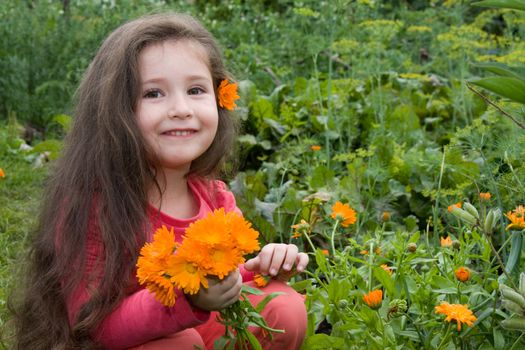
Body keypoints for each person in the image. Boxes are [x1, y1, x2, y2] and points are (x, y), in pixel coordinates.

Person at [12, 12, 308, 350]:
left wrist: (263, 268)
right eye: (154, 94)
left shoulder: (215, 198)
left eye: (196, 89)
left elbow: (227, 279)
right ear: (114, 111)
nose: (181, 108)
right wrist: (190, 299)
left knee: (284, 309)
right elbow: (92, 325)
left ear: (220, 97)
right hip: (117, 341)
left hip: (198, 330)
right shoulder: (93, 207)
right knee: (179, 343)